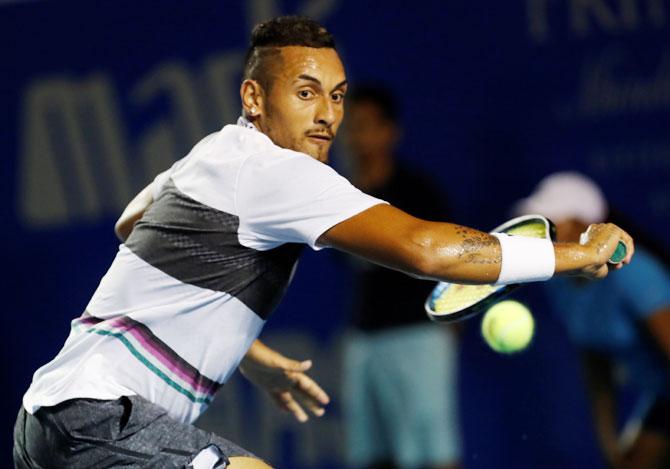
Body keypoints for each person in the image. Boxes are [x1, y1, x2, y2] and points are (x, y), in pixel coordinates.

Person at [13, 16, 634, 469]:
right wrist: (575, 255)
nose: (328, 116)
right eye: (305, 93)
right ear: (255, 98)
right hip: (99, 418)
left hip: (41, 426)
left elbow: (130, 224)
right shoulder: (279, 172)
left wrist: (247, 353)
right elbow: (423, 249)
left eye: (336, 96)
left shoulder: (215, 150)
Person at [340, 85, 461, 469]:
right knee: (371, 458)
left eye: (368, 126)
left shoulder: (418, 192)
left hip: (419, 337)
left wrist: (448, 330)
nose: (359, 138)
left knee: (433, 456)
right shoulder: (340, 196)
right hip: (365, 340)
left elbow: (453, 263)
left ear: (391, 132)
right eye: (352, 128)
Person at [514, 171, 670, 469]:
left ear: (585, 227)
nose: (539, 236)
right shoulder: (558, 283)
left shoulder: (634, 274)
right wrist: (611, 448)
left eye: (550, 223)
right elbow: (595, 364)